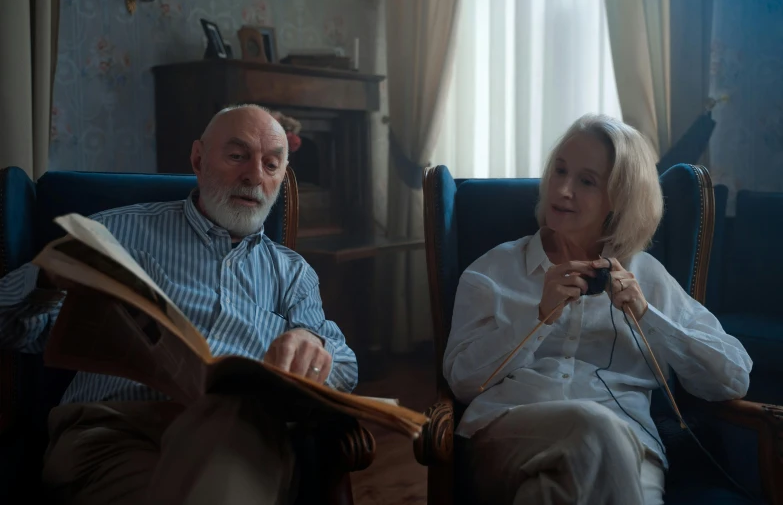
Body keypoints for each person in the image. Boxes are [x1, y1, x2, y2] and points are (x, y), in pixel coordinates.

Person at [0, 104, 358, 504]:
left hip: (242, 440)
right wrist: (48, 275)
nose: (254, 175)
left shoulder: (294, 273)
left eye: (271, 165)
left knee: (237, 412)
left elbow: (346, 367)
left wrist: (314, 347)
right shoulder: (115, 230)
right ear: (198, 159)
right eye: (238, 156)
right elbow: (10, 325)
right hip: (114, 431)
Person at [443, 114, 752, 505]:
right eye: (559, 171)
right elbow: (462, 381)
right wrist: (538, 318)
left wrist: (648, 315)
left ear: (620, 199)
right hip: (506, 435)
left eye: (586, 181)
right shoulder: (493, 271)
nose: (563, 189)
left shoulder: (647, 277)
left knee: (554, 489)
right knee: (594, 428)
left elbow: (733, 378)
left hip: (631, 448)